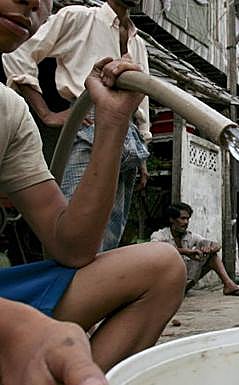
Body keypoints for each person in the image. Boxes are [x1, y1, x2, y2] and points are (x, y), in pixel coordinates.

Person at [0, 0, 185, 383]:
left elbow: (71, 247)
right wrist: (13, 326)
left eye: (43, 2)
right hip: (79, 127)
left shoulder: (10, 116)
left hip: (114, 134)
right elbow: (22, 61)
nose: (34, 4)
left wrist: (114, 123)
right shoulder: (78, 18)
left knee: (160, 266)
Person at [3, 0, 151, 251]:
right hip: (88, 123)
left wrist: (143, 150)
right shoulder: (78, 17)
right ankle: (68, 286)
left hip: (129, 133)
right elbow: (20, 52)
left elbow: (143, 98)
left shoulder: (139, 42)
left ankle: (96, 288)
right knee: (77, 228)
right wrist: (47, 113)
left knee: (110, 235)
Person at [151, 203, 239, 296]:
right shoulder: (159, 235)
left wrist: (211, 248)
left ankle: (229, 285)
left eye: (188, 219)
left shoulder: (189, 236)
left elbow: (214, 244)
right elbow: (156, 251)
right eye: (183, 218)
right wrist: (186, 252)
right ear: (172, 219)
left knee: (212, 255)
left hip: (183, 282)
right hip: (166, 284)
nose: (186, 222)